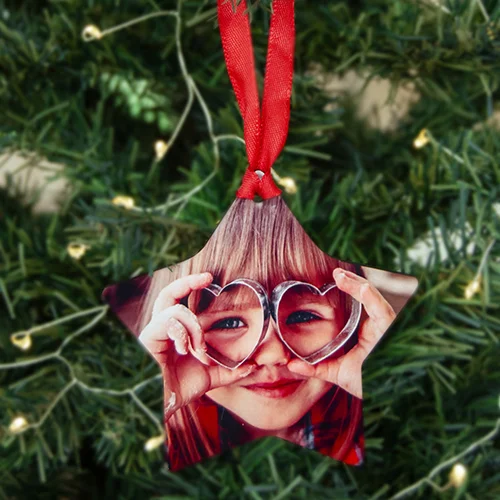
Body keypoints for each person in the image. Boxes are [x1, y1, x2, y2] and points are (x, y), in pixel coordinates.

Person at [103, 196, 397, 471]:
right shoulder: (159, 455)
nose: (273, 354)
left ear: (352, 322)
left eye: (304, 315)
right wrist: (157, 388)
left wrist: (381, 368)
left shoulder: (380, 436)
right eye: (229, 323)